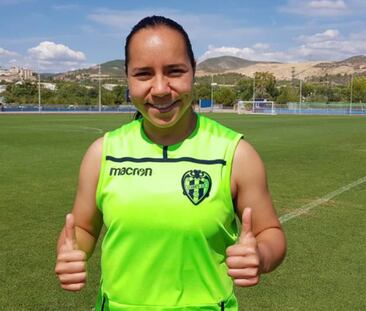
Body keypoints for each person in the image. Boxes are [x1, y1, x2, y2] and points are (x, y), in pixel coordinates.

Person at [55, 15, 286, 311]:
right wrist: (71, 252)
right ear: (127, 77)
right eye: (143, 74)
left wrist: (262, 255)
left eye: (174, 71)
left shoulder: (235, 153)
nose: (161, 88)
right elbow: (83, 230)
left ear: (193, 71)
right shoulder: (103, 153)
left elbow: (271, 233)